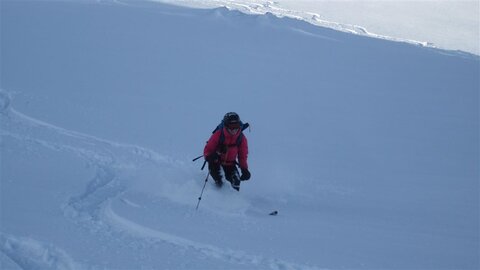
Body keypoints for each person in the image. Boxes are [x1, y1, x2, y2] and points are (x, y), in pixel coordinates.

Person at [204, 112, 251, 191]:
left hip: (230, 164)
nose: (234, 130)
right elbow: (207, 151)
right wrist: (212, 156)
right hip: (216, 163)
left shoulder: (241, 138)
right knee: (220, 182)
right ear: (226, 126)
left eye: (236, 126)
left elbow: (242, 156)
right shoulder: (218, 135)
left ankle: (233, 201)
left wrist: (244, 169)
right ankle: (217, 198)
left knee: (236, 182)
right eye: (231, 127)